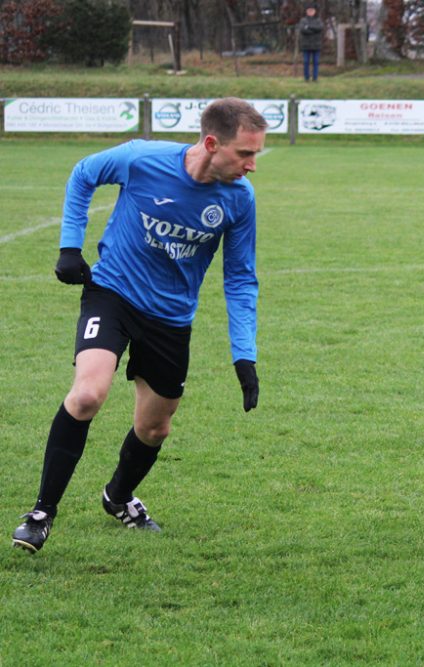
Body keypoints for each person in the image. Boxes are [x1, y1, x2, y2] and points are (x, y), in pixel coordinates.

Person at [11, 98, 267, 554]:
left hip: (170, 318)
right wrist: (70, 246)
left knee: (155, 428)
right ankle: (41, 513)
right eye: (245, 154)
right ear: (211, 143)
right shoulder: (142, 159)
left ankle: (118, 496)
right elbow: (84, 172)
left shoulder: (239, 200)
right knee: (88, 394)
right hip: (113, 294)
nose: (252, 166)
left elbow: (241, 278)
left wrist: (244, 354)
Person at [297, 3, 324, 82]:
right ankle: (306, 78)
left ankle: (315, 78)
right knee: (306, 62)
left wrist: (308, 27)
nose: (310, 12)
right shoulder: (303, 20)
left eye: (312, 10)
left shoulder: (318, 20)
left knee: (316, 63)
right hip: (306, 45)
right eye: (309, 10)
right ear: (306, 11)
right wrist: (314, 30)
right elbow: (302, 30)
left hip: (316, 45)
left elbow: (320, 28)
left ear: (315, 11)